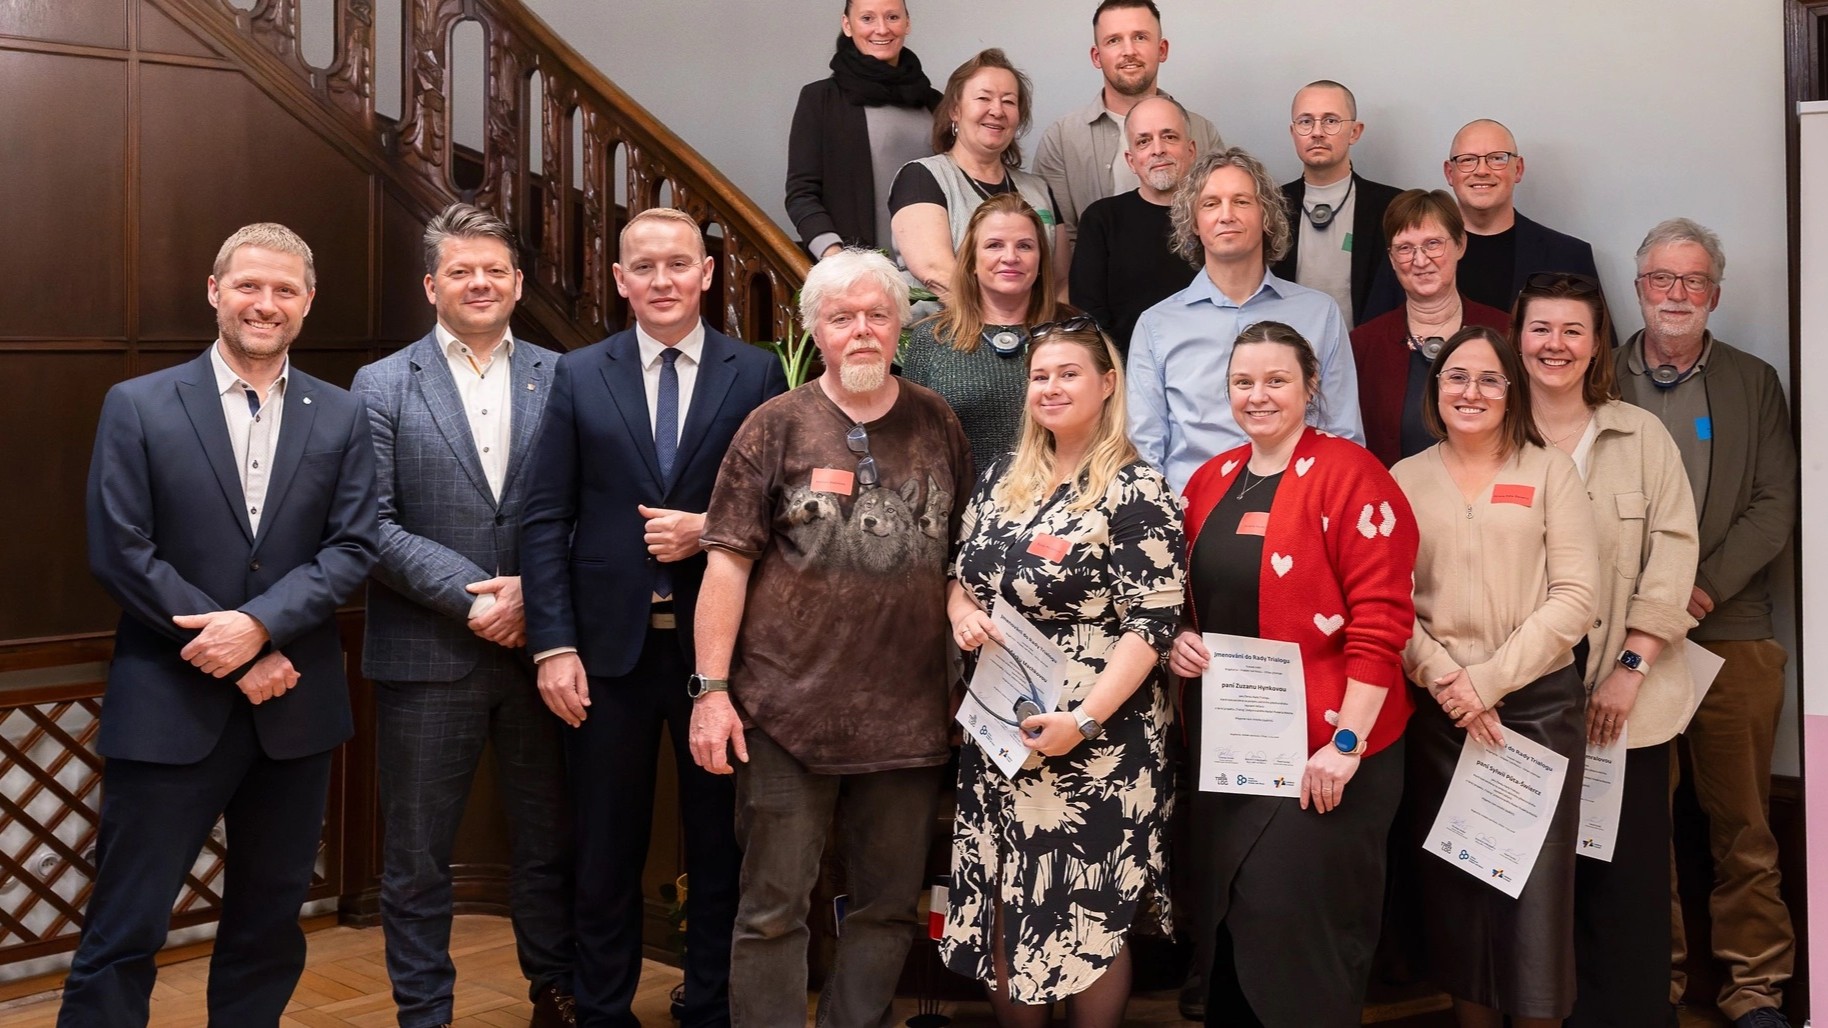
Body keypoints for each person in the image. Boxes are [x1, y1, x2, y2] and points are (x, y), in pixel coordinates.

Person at [63, 223, 380, 1026]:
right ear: (215, 291)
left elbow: (352, 548)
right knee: (124, 927)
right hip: (169, 707)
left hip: (295, 712)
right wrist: (239, 651)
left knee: (268, 928)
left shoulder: (342, 416)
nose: (264, 303)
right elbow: (119, 551)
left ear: (307, 302)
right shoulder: (138, 404)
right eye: (248, 285)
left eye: (284, 290)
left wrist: (259, 627)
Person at [687, 248, 972, 1027]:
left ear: (901, 325)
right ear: (815, 329)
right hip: (784, 715)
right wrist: (711, 693)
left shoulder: (937, 422)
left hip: (908, 719)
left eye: (878, 314)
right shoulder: (773, 426)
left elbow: (962, 559)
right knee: (772, 911)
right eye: (843, 317)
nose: (862, 331)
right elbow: (725, 566)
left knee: (887, 909)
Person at [521, 207, 787, 1028]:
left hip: (721, 659)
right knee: (605, 847)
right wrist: (553, 645)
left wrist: (707, 530)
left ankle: (709, 1005)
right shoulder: (578, 373)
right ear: (620, 280)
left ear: (706, 274)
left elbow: (785, 510)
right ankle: (603, 1009)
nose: (663, 280)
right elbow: (544, 517)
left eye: (679, 264)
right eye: (645, 267)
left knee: (718, 844)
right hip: (606, 657)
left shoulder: (757, 374)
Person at [351, 204, 576, 1028]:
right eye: (460, 271)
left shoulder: (567, 376)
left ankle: (556, 991)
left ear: (516, 284)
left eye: (493, 271)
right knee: (415, 857)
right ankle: (425, 1012)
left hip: (544, 652)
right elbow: (368, 524)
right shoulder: (380, 384)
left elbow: (588, 507)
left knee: (551, 843)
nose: (478, 283)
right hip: (426, 656)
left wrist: (533, 598)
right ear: (430, 285)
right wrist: (483, 596)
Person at [1168, 321, 1418, 1027]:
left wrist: (1346, 746)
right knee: (1231, 925)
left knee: (1297, 932)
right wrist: (1180, 639)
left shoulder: (1353, 475)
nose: (1258, 395)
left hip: (1326, 754)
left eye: (1277, 380)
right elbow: (1187, 599)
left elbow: (1382, 622)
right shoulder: (1209, 480)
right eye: (1242, 382)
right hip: (1232, 750)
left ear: (1311, 387)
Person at [942, 318, 1184, 1026]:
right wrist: (960, 613)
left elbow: (1151, 626)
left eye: (1068, 374)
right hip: (1003, 733)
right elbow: (958, 575)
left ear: (1107, 384)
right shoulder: (1001, 478)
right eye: (1040, 376)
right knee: (1003, 901)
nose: (1050, 387)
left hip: (1098, 742)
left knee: (1085, 916)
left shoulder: (1136, 489)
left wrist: (1083, 720)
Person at [1616, 219, 1798, 1028]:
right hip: (1624, 641)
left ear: (1715, 295)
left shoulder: (1754, 382)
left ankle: (1755, 988)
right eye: (1662, 279)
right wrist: (1645, 610)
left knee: (1744, 824)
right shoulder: (1597, 374)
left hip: (1731, 630)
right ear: (1639, 288)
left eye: (1694, 281)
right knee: (1638, 827)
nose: (1676, 294)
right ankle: (1650, 982)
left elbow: (1774, 505)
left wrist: (1699, 593)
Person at [1393, 326, 1599, 1028]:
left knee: (1534, 898)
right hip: (1440, 713)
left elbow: (1576, 598)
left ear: (1513, 392)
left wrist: (1489, 683)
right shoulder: (1404, 478)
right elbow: (1388, 602)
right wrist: (1447, 679)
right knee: (1459, 892)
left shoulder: (1551, 472)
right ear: (1435, 390)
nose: (1471, 392)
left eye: (1489, 379)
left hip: (1537, 710)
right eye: (1456, 377)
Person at [1510, 272, 1700, 1027]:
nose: (1555, 345)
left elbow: (1674, 553)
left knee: (1624, 890)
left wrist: (1630, 668)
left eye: (1573, 331)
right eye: (1540, 328)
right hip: (1521, 707)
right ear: (1517, 338)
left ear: (1597, 346)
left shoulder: (1641, 436)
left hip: (1628, 708)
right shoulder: (1491, 435)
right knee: (1531, 886)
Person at [1128, 147, 1364, 492]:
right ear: (1194, 223)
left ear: (1266, 215)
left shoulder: (1319, 314)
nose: (1226, 215)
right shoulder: (1156, 326)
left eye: (1241, 201)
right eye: (1211, 204)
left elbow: (1343, 435)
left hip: (1298, 507)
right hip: (1190, 509)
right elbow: (1144, 452)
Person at [1361, 120, 1601, 323]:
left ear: (1518, 169)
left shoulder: (1568, 255)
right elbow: (1378, 336)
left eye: (1497, 158)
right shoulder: (1409, 253)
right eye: (1467, 160)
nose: (1482, 171)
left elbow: (1599, 350)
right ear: (1450, 173)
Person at [1033, 0, 1221, 251]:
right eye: (1114, 40)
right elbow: (1057, 242)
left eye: (1140, 37)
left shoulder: (1202, 131)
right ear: (1097, 56)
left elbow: (1220, 223)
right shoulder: (1061, 139)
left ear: (1162, 49)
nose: (1129, 51)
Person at [889, 48, 1064, 305]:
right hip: (945, 327)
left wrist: (1053, 327)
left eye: (1009, 101)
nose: (997, 110)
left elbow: (1058, 282)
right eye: (984, 98)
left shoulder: (1039, 189)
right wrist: (1004, 322)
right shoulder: (921, 177)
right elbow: (936, 272)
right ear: (955, 110)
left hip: (1036, 329)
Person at [1351, 189, 1510, 467]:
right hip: (1394, 492)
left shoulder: (1506, 331)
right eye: (1405, 248)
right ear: (1391, 259)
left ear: (1460, 244)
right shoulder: (1363, 345)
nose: (1420, 260)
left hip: (1494, 489)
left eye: (1433, 244)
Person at [901, 193, 1056, 471]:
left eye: (1024, 246)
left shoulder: (1074, 331)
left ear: (1041, 260)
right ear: (972, 261)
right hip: (962, 496)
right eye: (994, 245)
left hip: (1063, 494)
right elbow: (912, 444)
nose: (1010, 257)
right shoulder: (932, 339)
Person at [785, 0, 939, 260]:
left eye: (892, 17)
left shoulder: (936, 102)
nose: (882, 29)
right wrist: (835, 256)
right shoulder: (820, 99)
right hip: (854, 270)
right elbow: (802, 193)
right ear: (847, 25)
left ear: (907, 23)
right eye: (867, 18)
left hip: (932, 270)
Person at [1068, 94, 1201, 355]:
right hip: (1126, 368)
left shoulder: (1216, 217)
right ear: (1131, 160)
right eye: (1144, 141)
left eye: (1169, 136)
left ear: (1191, 150)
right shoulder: (1101, 220)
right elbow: (1089, 317)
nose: (1158, 149)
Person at [1268, 80, 1404, 327]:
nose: (1317, 132)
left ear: (1355, 132)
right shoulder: (1271, 205)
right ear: (1293, 132)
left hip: (1365, 346)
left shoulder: (1394, 207)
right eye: (1306, 121)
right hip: (1286, 346)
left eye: (1330, 120)